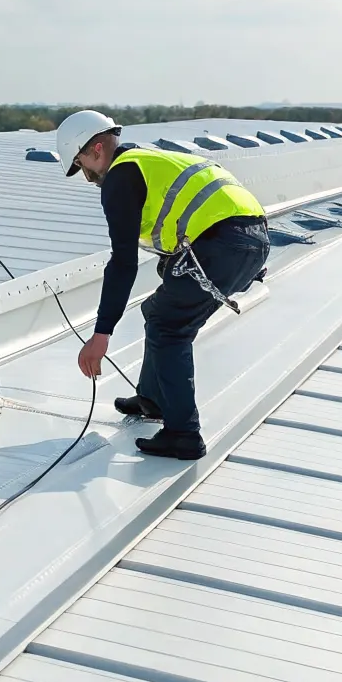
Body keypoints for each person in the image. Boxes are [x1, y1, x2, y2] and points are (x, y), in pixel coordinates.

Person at [59, 110, 271, 460]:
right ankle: (153, 399)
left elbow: (123, 262)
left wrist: (101, 334)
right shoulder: (149, 160)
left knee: (169, 328)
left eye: (81, 164)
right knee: (157, 311)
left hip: (222, 244)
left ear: (96, 149)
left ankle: (183, 434)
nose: (86, 176)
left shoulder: (121, 177)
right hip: (251, 240)